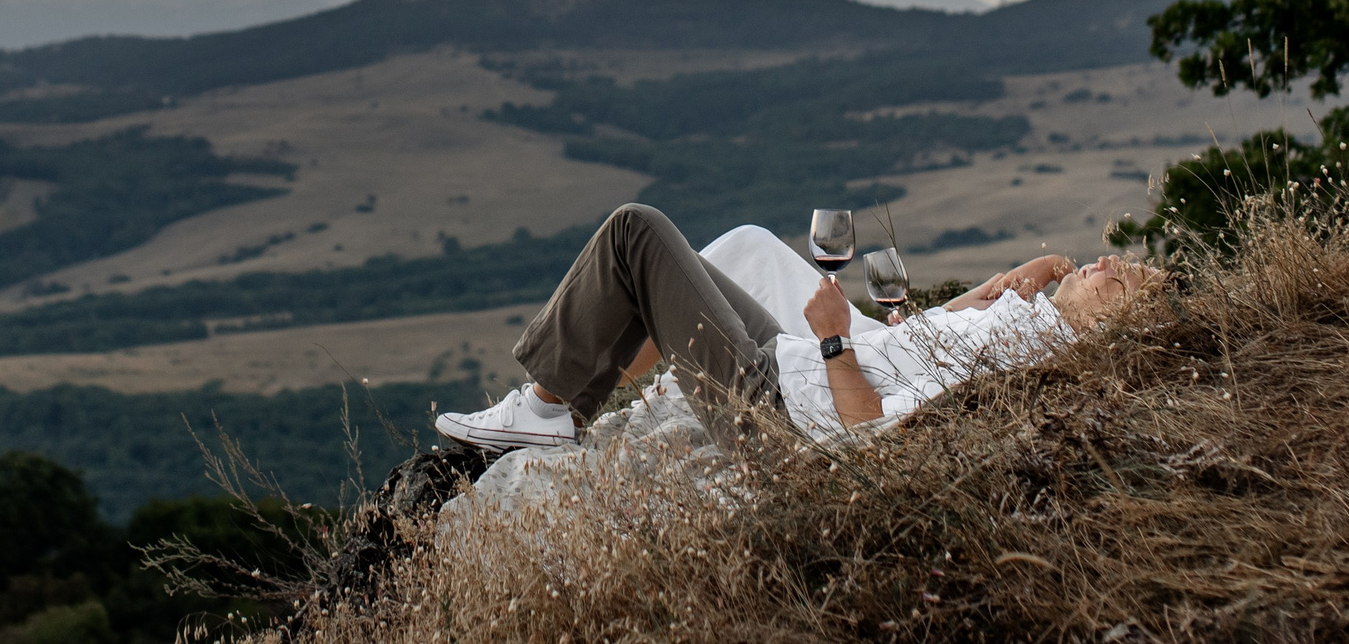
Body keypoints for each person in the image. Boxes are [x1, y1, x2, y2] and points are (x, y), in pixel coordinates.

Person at [435, 204, 1156, 453]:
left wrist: (837, 335)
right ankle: (556, 402)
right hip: (788, 369)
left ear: (1118, 329)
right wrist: (1015, 284)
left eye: (1121, 277)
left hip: (776, 415)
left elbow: (873, 432)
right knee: (714, 253)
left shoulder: (1031, 359)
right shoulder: (1034, 332)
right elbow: (937, 334)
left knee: (635, 232)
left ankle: (545, 410)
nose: (1106, 260)